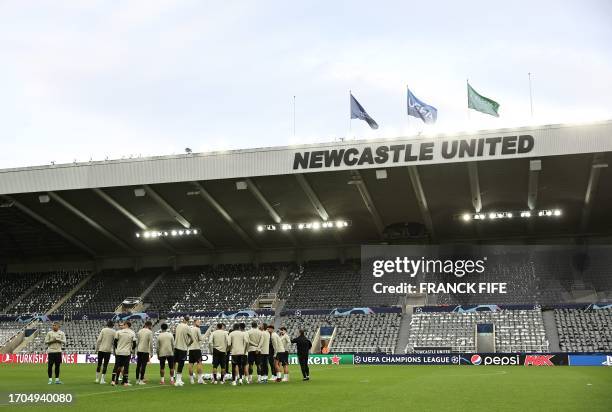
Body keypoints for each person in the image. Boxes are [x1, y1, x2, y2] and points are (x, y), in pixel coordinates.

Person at [112, 320, 136, 387]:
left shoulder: (118, 332)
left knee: (116, 366)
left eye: (123, 324)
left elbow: (115, 342)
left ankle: (113, 381)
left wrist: (117, 348)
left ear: (125, 325)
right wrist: (131, 350)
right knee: (126, 367)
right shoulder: (132, 333)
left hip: (119, 352)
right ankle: (125, 382)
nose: (122, 326)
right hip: (127, 352)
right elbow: (134, 344)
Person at [173, 316, 192, 387]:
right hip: (183, 348)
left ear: (183, 319)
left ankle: (175, 378)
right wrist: (188, 344)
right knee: (181, 364)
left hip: (176, 347)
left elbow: (174, 334)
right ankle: (178, 380)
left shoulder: (178, 326)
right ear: (188, 321)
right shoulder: (188, 327)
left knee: (174, 362)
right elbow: (192, 339)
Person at [95, 320, 115, 384]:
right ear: (112, 325)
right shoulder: (114, 332)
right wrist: (114, 351)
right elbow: (114, 343)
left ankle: (97, 379)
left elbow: (98, 340)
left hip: (101, 349)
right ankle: (102, 380)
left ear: (107, 324)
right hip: (108, 350)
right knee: (105, 365)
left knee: (99, 364)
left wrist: (97, 348)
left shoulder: (103, 330)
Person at [135, 320, 153, 385]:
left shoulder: (139, 331)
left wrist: (136, 350)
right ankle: (141, 380)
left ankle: (137, 379)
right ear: (149, 325)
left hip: (139, 350)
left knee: (138, 365)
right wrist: (151, 352)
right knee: (143, 366)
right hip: (145, 351)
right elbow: (150, 343)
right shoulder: (149, 332)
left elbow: (137, 342)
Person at [188, 319, 205, 384]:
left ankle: (191, 380)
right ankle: (200, 379)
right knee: (199, 363)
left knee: (190, 364)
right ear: (194, 322)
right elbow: (200, 338)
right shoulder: (197, 329)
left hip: (191, 349)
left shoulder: (189, 329)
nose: (199, 323)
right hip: (197, 349)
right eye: (198, 322)